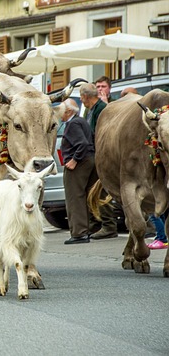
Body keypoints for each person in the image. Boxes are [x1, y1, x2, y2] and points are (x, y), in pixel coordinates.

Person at [81, 81, 118, 240]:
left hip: (102, 154)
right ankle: (98, 223)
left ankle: (109, 226)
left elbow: (100, 133)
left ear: (85, 97)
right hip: (95, 154)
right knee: (95, 190)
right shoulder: (91, 110)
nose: (81, 101)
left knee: (102, 190)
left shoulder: (101, 109)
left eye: (82, 98)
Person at [60, 98, 97, 244]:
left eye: (61, 110)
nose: (59, 114)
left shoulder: (73, 123)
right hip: (90, 159)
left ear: (68, 111)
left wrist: (74, 160)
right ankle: (86, 230)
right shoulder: (81, 121)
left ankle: (79, 233)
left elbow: (82, 143)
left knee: (75, 197)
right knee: (86, 196)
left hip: (80, 162)